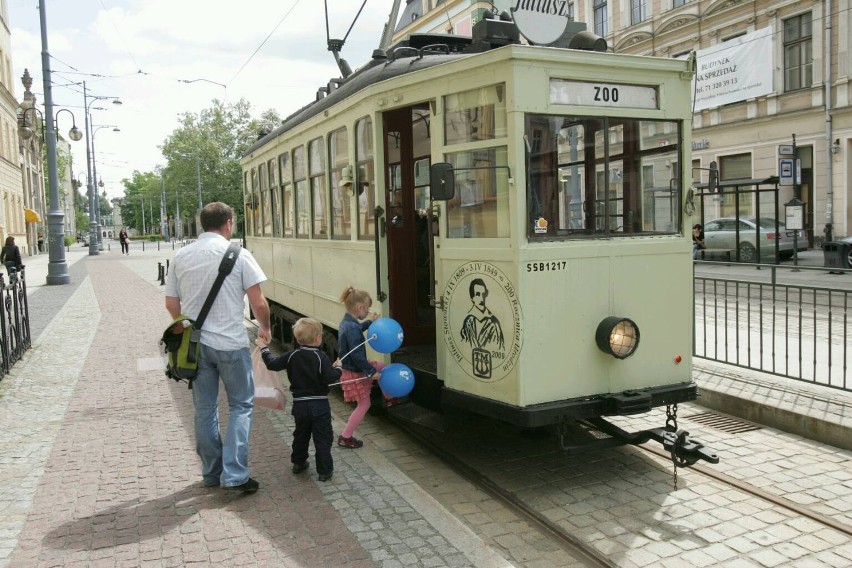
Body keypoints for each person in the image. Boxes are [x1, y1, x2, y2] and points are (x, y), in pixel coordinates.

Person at [165, 202, 271, 493]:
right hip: (231, 344)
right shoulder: (238, 254)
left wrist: (183, 324)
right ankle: (235, 474)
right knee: (240, 405)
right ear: (228, 223)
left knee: (204, 409)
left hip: (196, 346)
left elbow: (171, 304)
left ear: (203, 224)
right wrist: (266, 327)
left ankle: (212, 473)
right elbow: (258, 301)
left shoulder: (181, 256)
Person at [255, 318, 342, 482]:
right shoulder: (320, 356)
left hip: (300, 405)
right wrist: (338, 367)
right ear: (318, 338)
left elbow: (272, 364)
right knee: (322, 437)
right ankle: (324, 471)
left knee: (301, 435)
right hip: (319, 405)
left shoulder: (292, 355)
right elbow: (330, 377)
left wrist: (263, 348)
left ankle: (299, 462)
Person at [337, 286, 385, 449]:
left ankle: (391, 396)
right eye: (367, 309)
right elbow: (357, 356)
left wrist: (369, 321)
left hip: (352, 367)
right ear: (360, 308)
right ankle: (345, 436)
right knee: (364, 404)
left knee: (383, 366)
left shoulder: (347, 322)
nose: (368, 311)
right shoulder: (352, 328)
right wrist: (371, 373)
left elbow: (358, 329)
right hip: (354, 370)